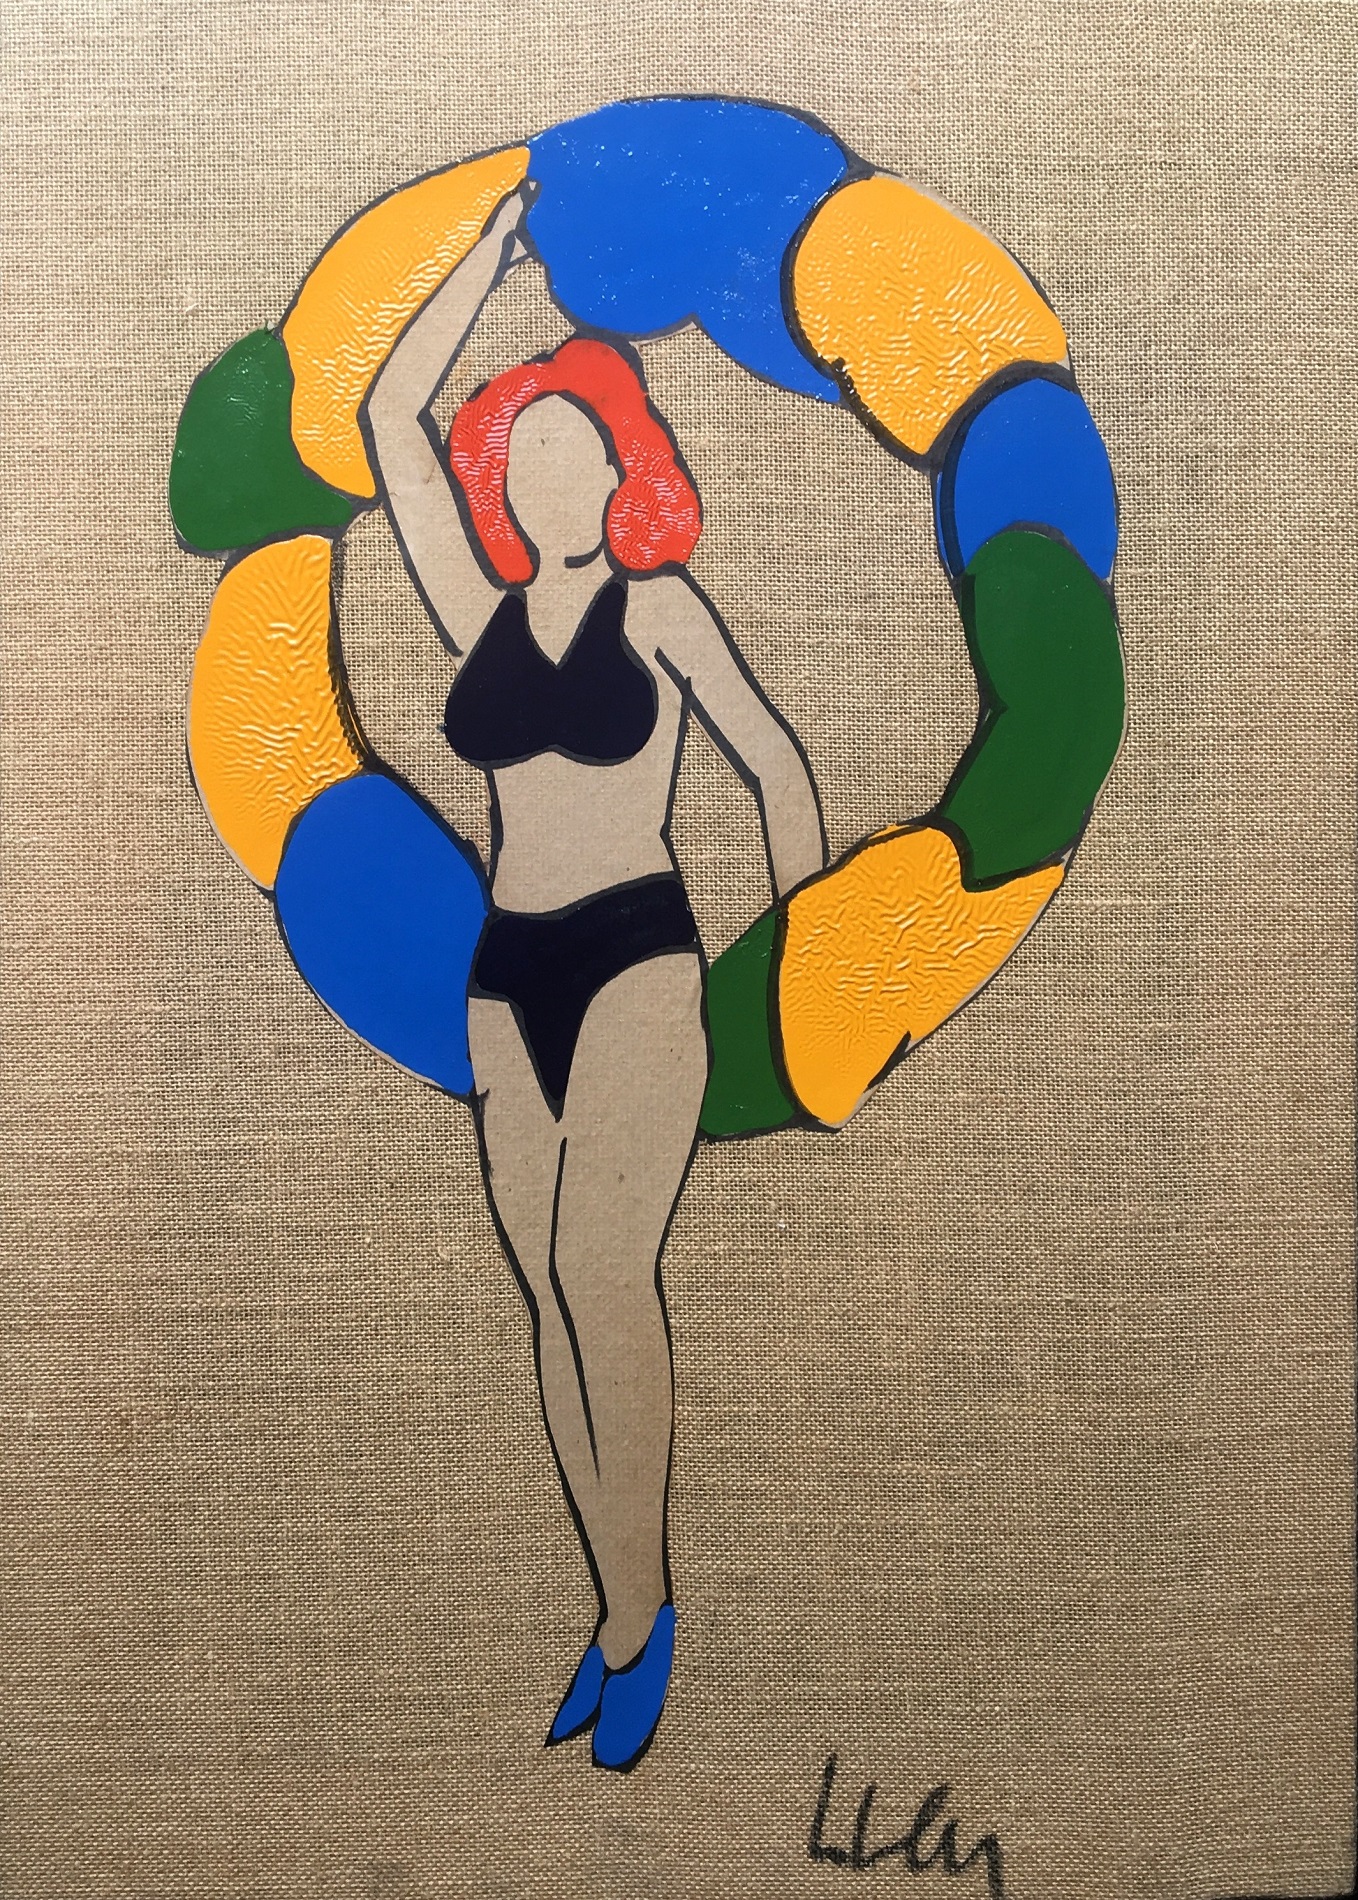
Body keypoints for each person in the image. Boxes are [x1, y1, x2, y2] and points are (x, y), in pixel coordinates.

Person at [365, 187, 825, 1771]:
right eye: (529, 457)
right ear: (506, 479)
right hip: (508, 975)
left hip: (635, 949)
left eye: (581, 453)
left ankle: (645, 1618)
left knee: (601, 1272)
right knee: (546, 1293)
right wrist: (479, 258)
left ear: (625, 473)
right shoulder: (478, 608)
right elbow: (387, 420)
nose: (553, 476)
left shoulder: (663, 607)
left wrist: (797, 962)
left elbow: (774, 766)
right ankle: (620, 1615)